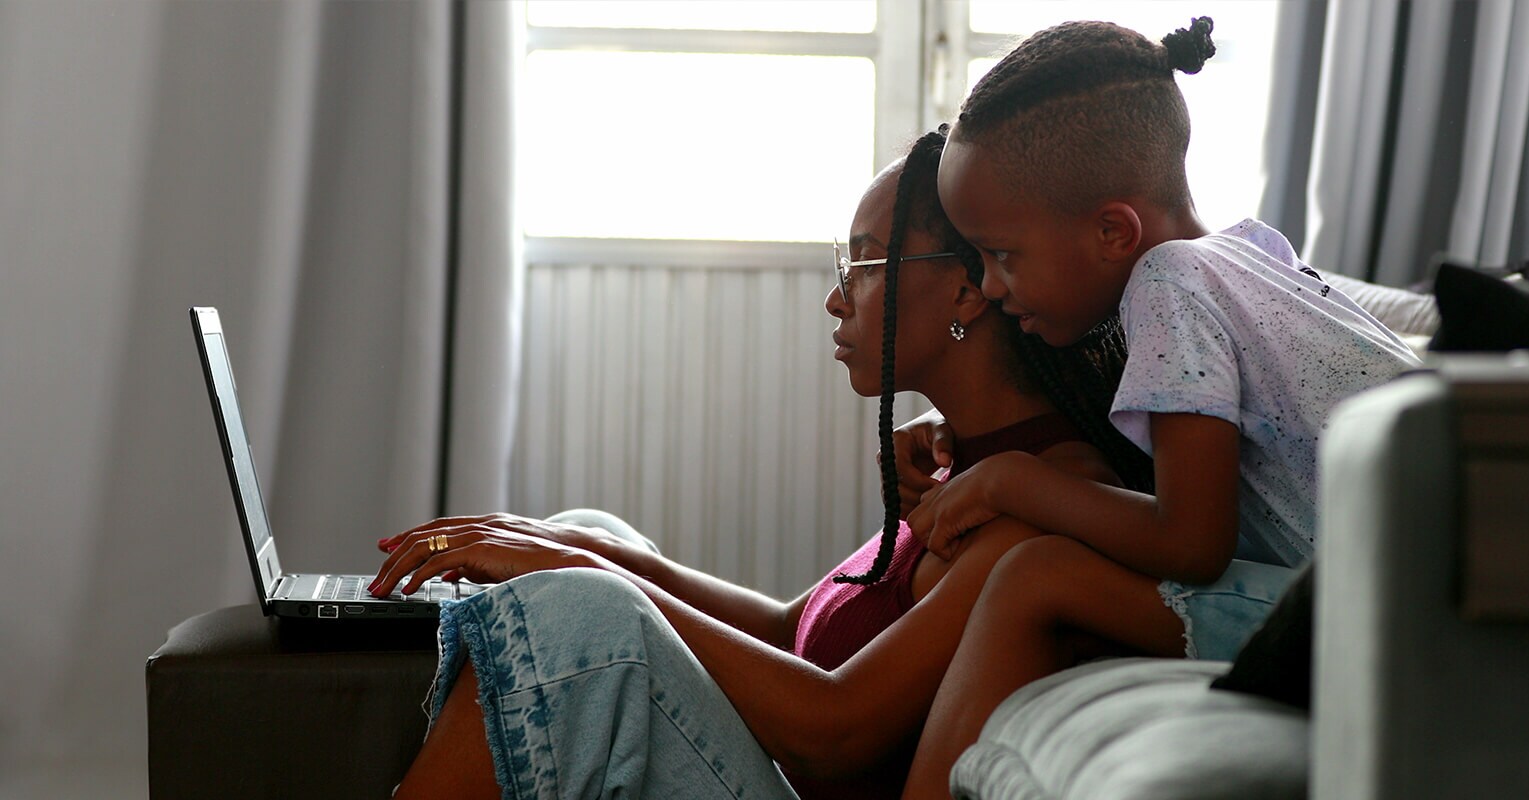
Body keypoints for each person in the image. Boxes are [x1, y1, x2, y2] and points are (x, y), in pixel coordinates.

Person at [366, 127, 1149, 800]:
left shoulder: (1042, 498)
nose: (838, 299)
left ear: (968, 291)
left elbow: (834, 726)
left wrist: (594, 579)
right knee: (589, 533)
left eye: (866, 264)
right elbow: (790, 626)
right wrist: (589, 550)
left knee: (584, 617)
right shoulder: (963, 467)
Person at [895, 17, 1424, 795]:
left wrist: (1008, 479)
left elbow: (1189, 542)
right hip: (1406, 593)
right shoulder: (1246, 252)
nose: (994, 287)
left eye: (1003, 256)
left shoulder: (1169, 284)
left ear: (1113, 231)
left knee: (1033, 574)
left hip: (1378, 623)